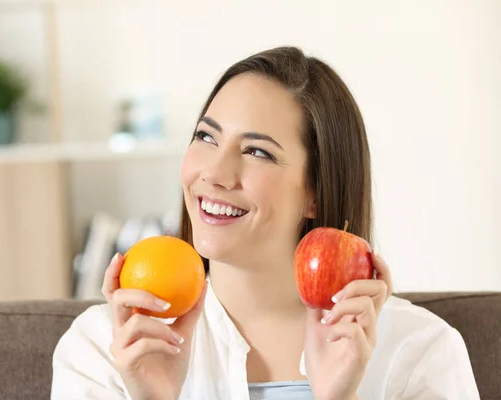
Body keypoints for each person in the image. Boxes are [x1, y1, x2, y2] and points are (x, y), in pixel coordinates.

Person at [50, 46, 479, 399]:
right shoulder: (104, 349)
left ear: (315, 190)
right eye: (205, 137)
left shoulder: (417, 352)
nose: (214, 173)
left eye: (258, 152)